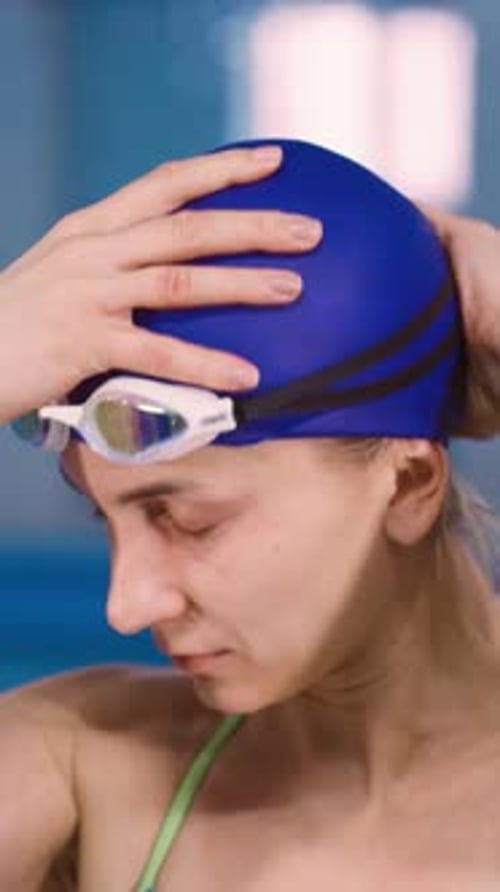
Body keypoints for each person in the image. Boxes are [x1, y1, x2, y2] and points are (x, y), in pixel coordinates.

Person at [1, 138, 500, 892]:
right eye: (108, 521)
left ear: (408, 485)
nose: (127, 604)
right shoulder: (88, 766)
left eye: (185, 519)